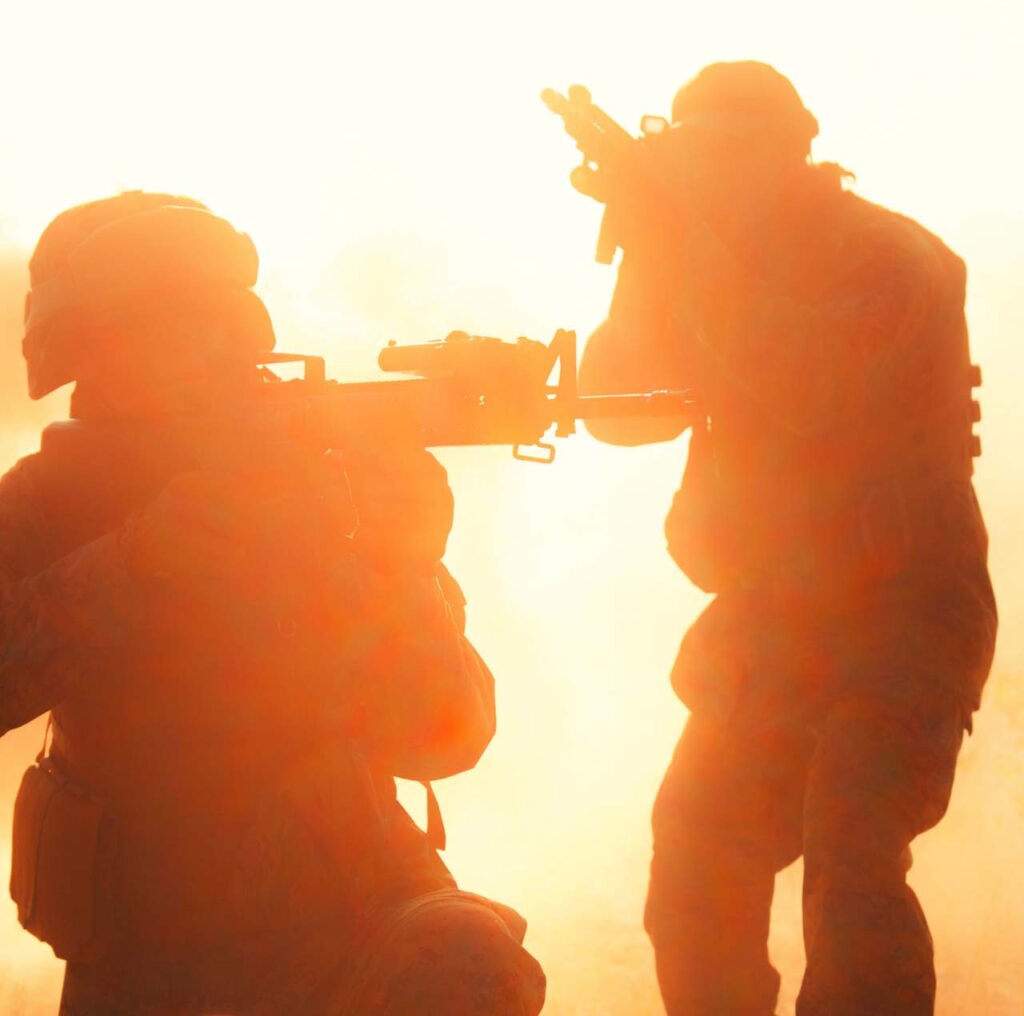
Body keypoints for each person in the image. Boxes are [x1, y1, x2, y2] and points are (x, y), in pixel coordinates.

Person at [3, 191, 546, 1015]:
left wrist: (403, 566)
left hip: (348, 926)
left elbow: (443, 738)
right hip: (148, 959)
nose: (210, 365)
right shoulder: (51, 503)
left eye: (214, 334)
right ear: (91, 357)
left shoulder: (313, 491)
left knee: (468, 961)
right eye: (165, 337)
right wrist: (142, 558)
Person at [576, 62, 997, 1015]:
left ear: (795, 151)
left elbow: (803, 382)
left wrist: (679, 237)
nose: (716, 171)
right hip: (773, 623)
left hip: (904, 616)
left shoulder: (893, 258)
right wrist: (648, 247)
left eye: (735, 150)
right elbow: (621, 412)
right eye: (698, 153)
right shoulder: (710, 258)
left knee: (852, 860)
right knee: (694, 862)